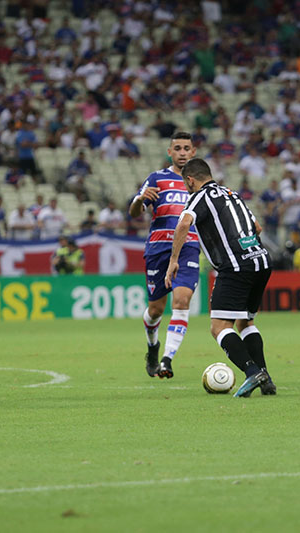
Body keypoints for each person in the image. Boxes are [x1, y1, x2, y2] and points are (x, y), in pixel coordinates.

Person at [167, 157, 274, 397]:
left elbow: (183, 224)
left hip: (236, 266)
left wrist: (174, 260)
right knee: (246, 321)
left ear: (190, 180)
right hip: (261, 260)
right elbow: (256, 227)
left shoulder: (199, 197)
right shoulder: (231, 193)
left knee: (218, 327)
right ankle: (266, 379)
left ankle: (252, 371)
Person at [129, 131, 201, 379]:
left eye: (186, 148)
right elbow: (135, 213)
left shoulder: (201, 183)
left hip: (189, 247)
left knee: (181, 302)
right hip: (159, 249)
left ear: (193, 152)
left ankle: (167, 360)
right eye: (177, 148)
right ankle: (152, 346)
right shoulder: (157, 178)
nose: (182, 152)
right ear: (169, 152)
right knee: (156, 310)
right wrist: (140, 199)